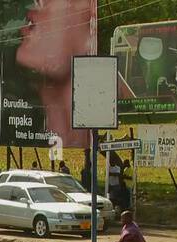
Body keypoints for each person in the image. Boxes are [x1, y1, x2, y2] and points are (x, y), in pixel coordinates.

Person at [14, 0, 113, 151]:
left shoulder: (109, 91)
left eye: (43, 2)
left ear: (88, 12)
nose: (30, 12)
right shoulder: (44, 104)